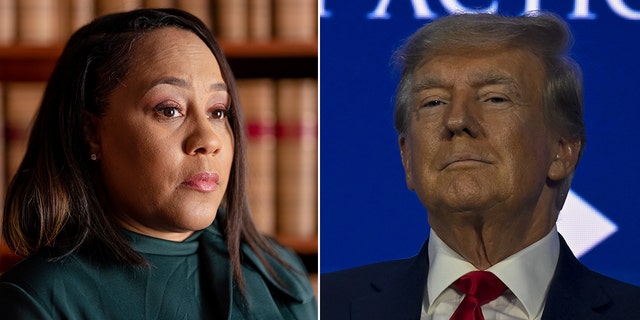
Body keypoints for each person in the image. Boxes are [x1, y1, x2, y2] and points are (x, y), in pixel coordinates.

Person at [0, 8, 316, 319]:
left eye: (217, 111)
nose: (209, 139)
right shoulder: (36, 301)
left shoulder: (279, 273)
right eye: (169, 110)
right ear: (92, 132)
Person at [320, 12, 640, 320]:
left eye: (494, 98)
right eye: (434, 102)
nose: (457, 120)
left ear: (562, 150)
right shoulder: (325, 307)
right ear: (407, 156)